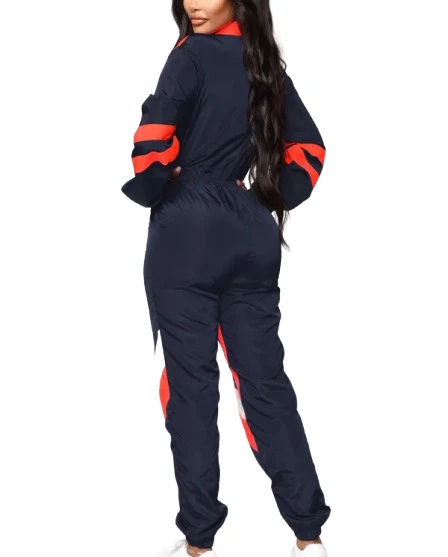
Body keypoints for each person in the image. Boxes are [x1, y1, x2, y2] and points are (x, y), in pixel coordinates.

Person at [121, 1, 331, 556]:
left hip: (186, 236)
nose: (194, 2)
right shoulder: (265, 65)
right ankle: (309, 535)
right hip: (250, 233)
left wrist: (163, 181)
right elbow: (310, 148)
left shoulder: (189, 56)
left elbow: (150, 143)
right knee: (265, 386)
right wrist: (267, 197)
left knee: (189, 391)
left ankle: (199, 542)